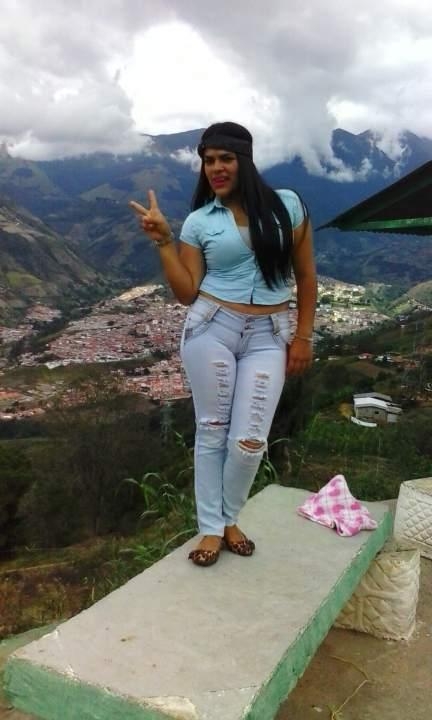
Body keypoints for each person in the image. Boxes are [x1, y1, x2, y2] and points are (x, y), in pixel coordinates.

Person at [130, 121, 317, 567]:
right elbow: (186, 291)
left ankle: (228, 516)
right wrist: (164, 242)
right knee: (212, 430)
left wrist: (303, 336)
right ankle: (214, 528)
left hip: (269, 334)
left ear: (244, 160)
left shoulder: (288, 207)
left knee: (249, 440)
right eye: (208, 160)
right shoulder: (200, 221)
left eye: (225, 158)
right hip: (211, 326)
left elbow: (306, 275)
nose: (215, 168)